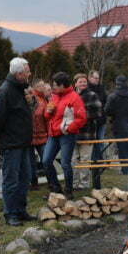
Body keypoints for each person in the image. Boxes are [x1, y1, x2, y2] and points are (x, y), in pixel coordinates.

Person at [0, 57, 35, 226]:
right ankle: (10, 214)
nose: (29, 74)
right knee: (11, 180)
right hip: (11, 143)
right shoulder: (6, 90)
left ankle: (20, 211)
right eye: (27, 71)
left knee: (25, 178)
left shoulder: (18, 88)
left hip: (22, 141)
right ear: (18, 73)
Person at [42, 71, 87, 199]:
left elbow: (82, 118)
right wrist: (48, 112)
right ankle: (56, 188)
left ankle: (68, 190)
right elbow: (47, 116)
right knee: (46, 161)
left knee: (65, 163)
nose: (53, 87)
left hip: (67, 135)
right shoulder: (55, 96)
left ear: (62, 85)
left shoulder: (74, 98)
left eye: (55, 85)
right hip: (53, 134)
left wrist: (68, 129)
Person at [72, 73, 103, 189]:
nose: (83, 83)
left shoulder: (92, 95)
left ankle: (83, 184)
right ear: (75, 83)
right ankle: (74, 183)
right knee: (73, 159)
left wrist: (83, 115)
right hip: (72, 133)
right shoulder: (71, 95)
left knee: (85, 160)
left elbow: (99, 112)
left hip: (87, 133)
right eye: (80, 81)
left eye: (84, 81)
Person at [105, 75, 128, 174]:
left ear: (117, 84)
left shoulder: (112, 96)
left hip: (117, 125)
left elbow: (107, 111)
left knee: (121, 148)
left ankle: (125, 169)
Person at [26, 85, 48, 190]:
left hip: (42, 136)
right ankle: (34, 183)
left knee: (46, 160)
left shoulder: (41, 105)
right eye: (24, 95)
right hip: (29, 139)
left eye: (28, 94)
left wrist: (49, 134)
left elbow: (47, 121)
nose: (27, 96)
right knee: (30, 162)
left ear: (32, 94)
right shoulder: (21, 106)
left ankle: (51, 181)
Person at [88, 70, 108, 162]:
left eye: (98, 78)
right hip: (91, 120)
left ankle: (100, 160)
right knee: (93, 141)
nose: (97, 80)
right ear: (90, 78)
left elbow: (104, 100)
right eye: (95, 78)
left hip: (101, 119)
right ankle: (93, 160)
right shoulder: (87, 88)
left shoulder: (101, 88)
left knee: (100, 141)